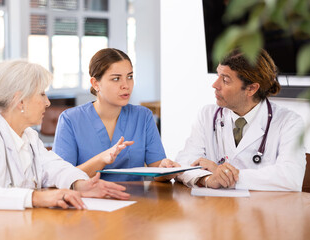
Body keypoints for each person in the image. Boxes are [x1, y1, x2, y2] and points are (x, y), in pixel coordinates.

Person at [0, 60, 130, 216]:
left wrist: (80, 184)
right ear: (20, 101)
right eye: (42, 94)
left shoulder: (29, 137)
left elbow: (55, 167)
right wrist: (35, 198)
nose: (47, 102)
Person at [175, 48, 306, 191]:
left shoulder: (289, 122)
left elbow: (291, 177)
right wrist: (208, 179)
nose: (215, 85)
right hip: (215, 209)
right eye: (218, 75)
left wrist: (224, 174)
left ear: (251, 88)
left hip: (263, 210)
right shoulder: (207, 115)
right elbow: (183, 164)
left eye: (225, 79)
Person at [53, 48, 180, 182]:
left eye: (129, 77)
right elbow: (61, 177)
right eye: (116, 79)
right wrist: (101, 159)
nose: (126, 85)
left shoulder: (143, 116)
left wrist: (166, 168)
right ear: (96, 83)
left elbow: (157, 169)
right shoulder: (70, 119)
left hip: (136, 200)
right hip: (88, 200)